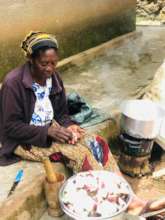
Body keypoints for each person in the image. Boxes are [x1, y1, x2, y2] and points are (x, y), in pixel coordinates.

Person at [0, 31, 164, 217]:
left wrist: (68, 125)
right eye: (43, 63)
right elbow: (10, 127)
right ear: (31, 59)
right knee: (80, 154)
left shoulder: (53, 77)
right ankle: (107, 200)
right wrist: (49, 131)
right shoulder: (13, 83)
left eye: (53, 63)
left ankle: (129, 199)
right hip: (22, 140)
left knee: (98, 143)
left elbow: (61, 112)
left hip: (49, 126)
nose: (49, 69)